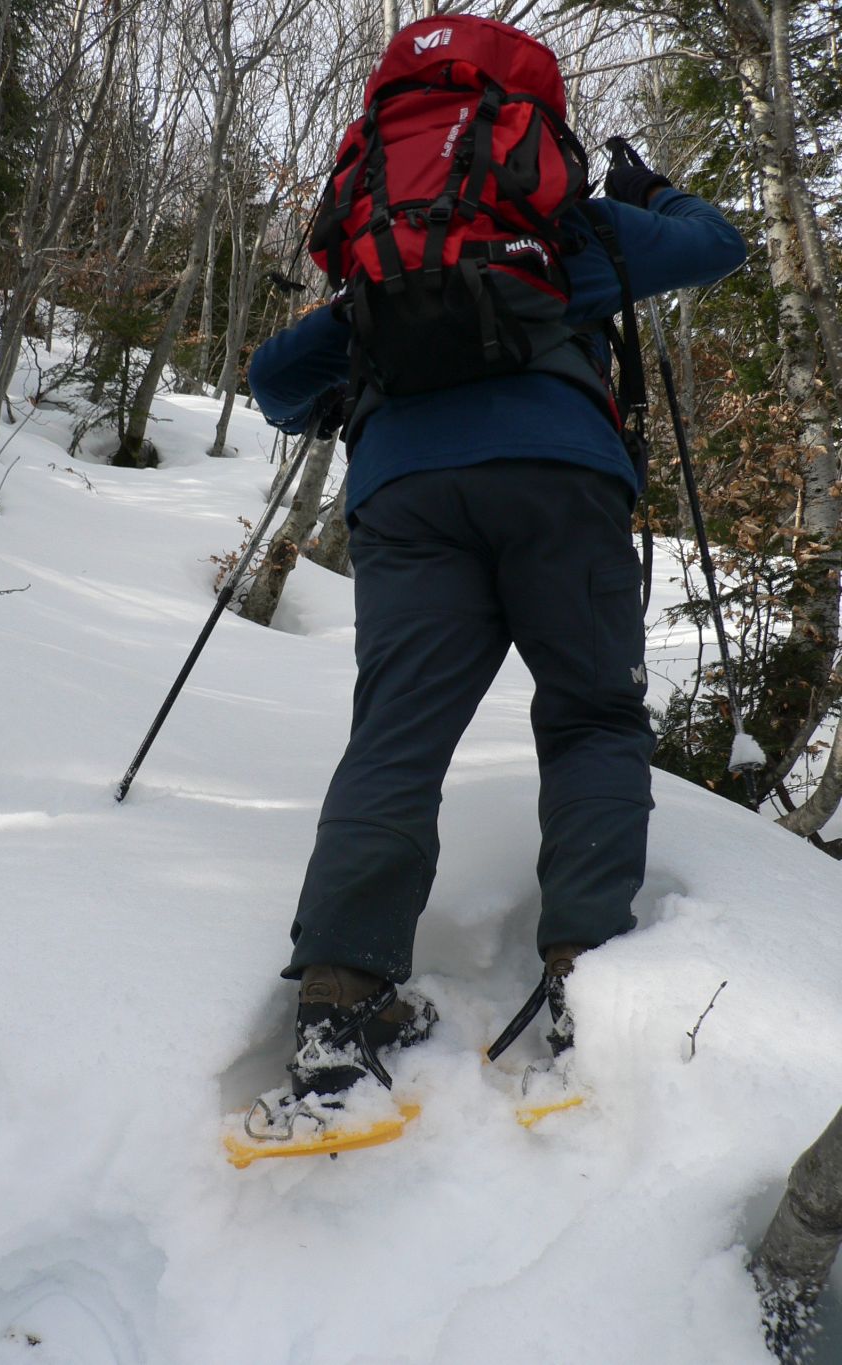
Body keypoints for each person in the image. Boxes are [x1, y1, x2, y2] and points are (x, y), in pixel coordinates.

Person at [248, 46, 746, 1102]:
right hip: (560, 480)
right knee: (591, 717)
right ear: (526, 133)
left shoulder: (383, 265)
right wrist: (650, 193)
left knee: (395, 734)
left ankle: (339, 1001)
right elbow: (719, 245)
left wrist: (348, 387)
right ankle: (586, 985)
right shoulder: (572, 232)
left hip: (405, 495)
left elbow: (273, 381)